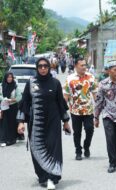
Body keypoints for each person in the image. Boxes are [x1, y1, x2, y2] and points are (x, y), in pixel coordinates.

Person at [17, 57, 71, 189]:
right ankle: (42, 176)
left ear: (49, 67)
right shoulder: (31, 83)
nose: (42, 68)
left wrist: (65, 121)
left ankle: (52, 178)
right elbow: (24, 103)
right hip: (36, 124)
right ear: (37, 68)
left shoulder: (55, 83)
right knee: (37, 147)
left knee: (53, 148)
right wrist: (21, 122)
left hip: (53, 122)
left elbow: (60, 103)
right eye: (40, 66)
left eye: (45, 66)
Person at [63, 57, 97, 161]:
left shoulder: (91, 77)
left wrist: (99, 108)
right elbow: (66, 96)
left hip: (88, 110)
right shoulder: (69, 79)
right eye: (82, 65)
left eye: (85, 65)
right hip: (75, 111)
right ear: (76, 66)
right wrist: (63, 112)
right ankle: (78, 151)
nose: (84, 67)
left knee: (90, 130)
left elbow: (95, 94)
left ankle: (86, 146)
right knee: (77, 132)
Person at [0, 72, 22, 147]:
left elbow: (19, 97)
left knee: (12, 124)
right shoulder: (1, 85)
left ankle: (12, 138)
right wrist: (4, 99)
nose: (9, 79)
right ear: (5, 78)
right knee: (4, 123)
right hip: (4, 107)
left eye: (11, 77)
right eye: (8, 77)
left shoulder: (15, 86)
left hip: (13, 108)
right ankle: (3, 139)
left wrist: (12, 100)